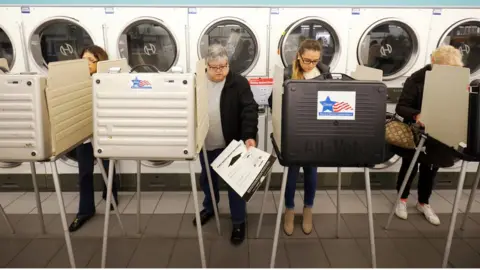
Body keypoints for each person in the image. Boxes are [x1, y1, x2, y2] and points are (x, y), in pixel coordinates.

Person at [192, 44, 259, 245]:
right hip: (207, 143)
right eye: (215, 67)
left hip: (232, 144)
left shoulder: (238, 83)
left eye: (224, 65)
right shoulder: (196, 82)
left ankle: (239, 221)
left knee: (235, 185)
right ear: (206, 65)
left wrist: (249, 135)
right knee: (208, 179)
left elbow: (249, 110)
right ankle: (210, 208)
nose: (220, 70)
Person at [267, 39, 331, 236]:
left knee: (311, 172)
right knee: (291, 173)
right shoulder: (287, 73)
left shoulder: (325, 74)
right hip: (292, 132)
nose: (310, 64)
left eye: (314, 61)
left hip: (315, 133)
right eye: (306, 60)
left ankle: (308, 209)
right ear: (298, 56)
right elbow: (272, 101)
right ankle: (289, 209)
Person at [394, 45, 464, 226]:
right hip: (416, 130)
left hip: (440, 130)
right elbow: (401, 107)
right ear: (434, 63)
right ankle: (401, 200)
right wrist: (417, 115)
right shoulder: (416, 79)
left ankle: (423, 202)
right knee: (409, 166)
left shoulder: (455, 82)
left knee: (431, 168)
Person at [68, 45, 119, 232]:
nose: (87, 64)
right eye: (84, 60)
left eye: (91, 60)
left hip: (103, 131)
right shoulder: (74, 82)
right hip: (84, 134)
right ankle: (85, 210)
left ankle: (111, 195)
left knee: (108, 167)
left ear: (100, 63)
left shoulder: (108, 81)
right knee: (84, 173)